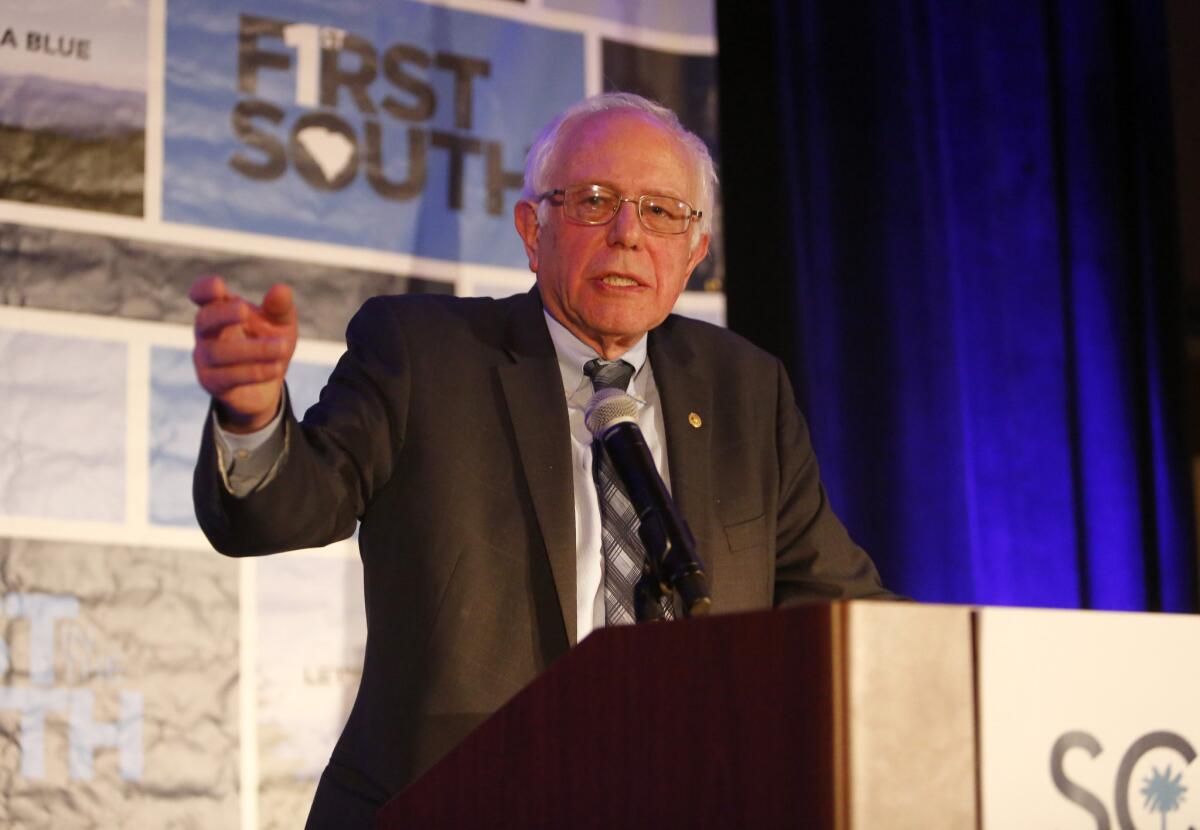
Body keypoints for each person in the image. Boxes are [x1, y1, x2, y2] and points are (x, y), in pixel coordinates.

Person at [190, 92, 892, 828]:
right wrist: (254, 415)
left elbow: (838, 599)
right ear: (534, 230)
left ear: (695, 252)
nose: (627, 233)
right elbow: (287, 505)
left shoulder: (746, 389)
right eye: (594, 201)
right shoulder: (424, 353)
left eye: (660, 212)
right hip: (451, 805)